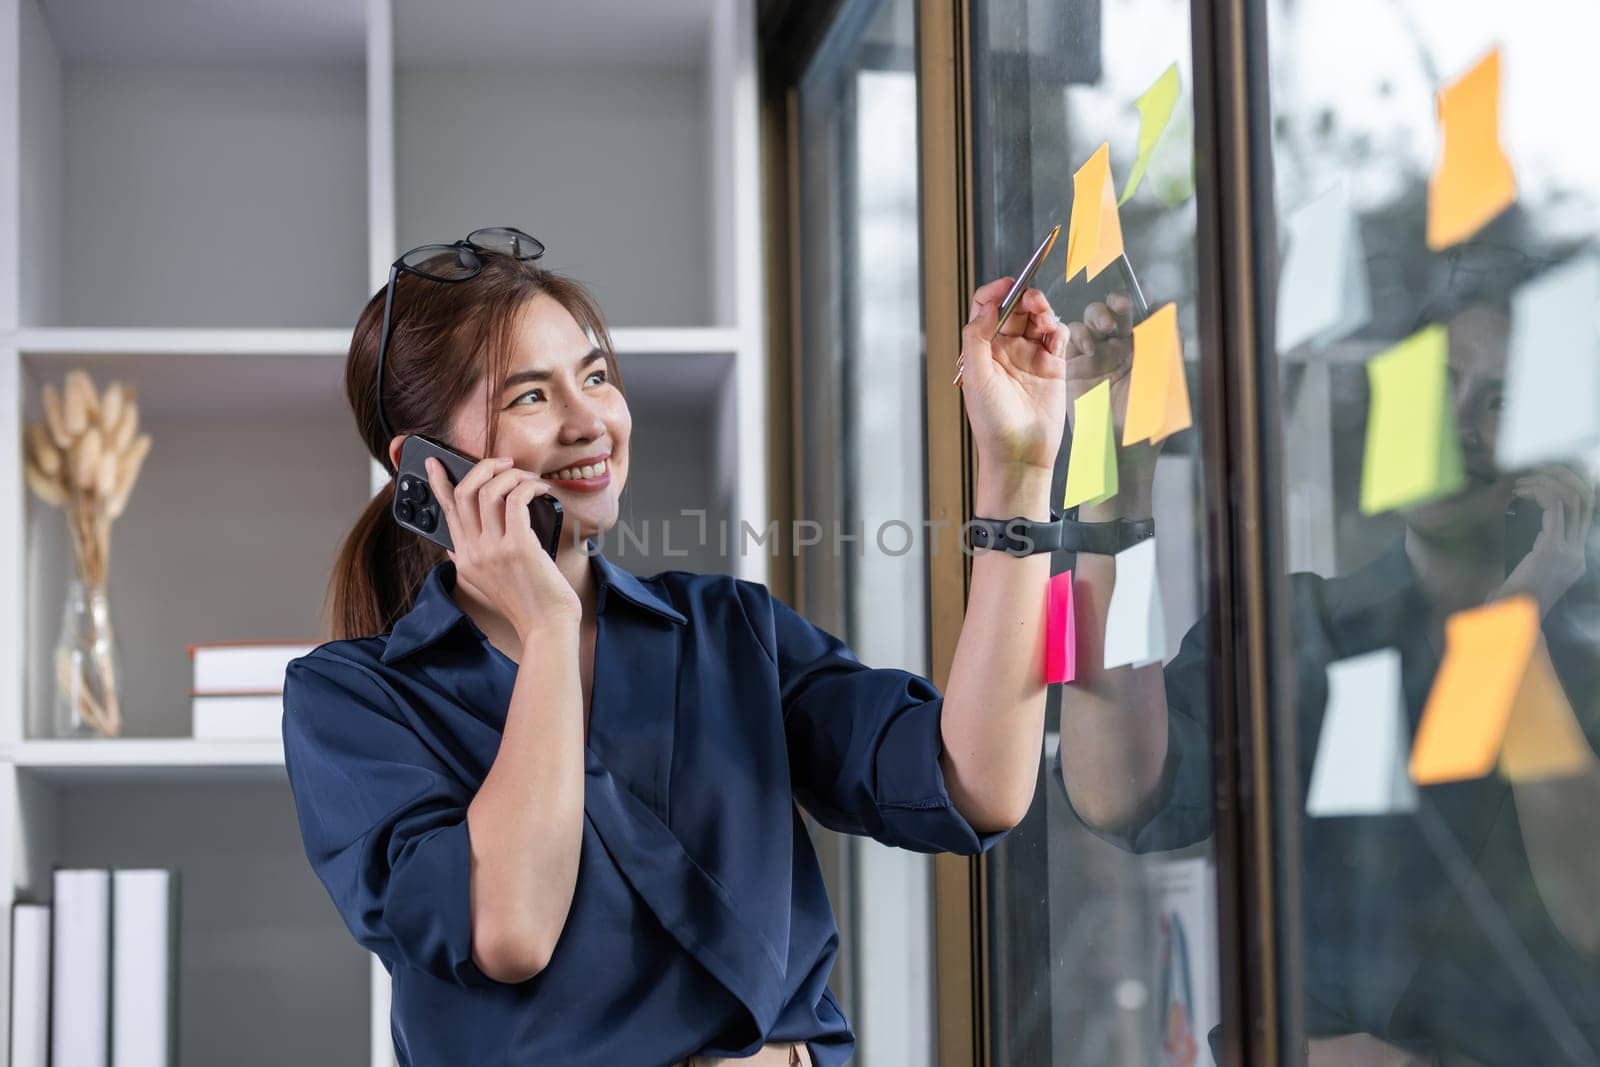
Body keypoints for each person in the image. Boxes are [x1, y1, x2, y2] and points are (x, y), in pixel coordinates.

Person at [280, 228, 1069, 1067]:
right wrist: (547, 628)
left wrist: (1015, 472)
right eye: (530, 397)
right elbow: (510, 929)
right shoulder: (354, 700)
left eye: (594, 377)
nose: (591, 422)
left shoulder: (728, 631)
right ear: (424, 469)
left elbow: (977, 784)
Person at [1054, 251, 1600, 1065]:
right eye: (1439, 385)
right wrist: (1117, 494)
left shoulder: (1578, 670)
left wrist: (1514, 632)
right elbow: (1116, 790)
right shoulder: (1292, 624)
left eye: (1502, 401)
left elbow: (1590, 912)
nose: (1456, 421)